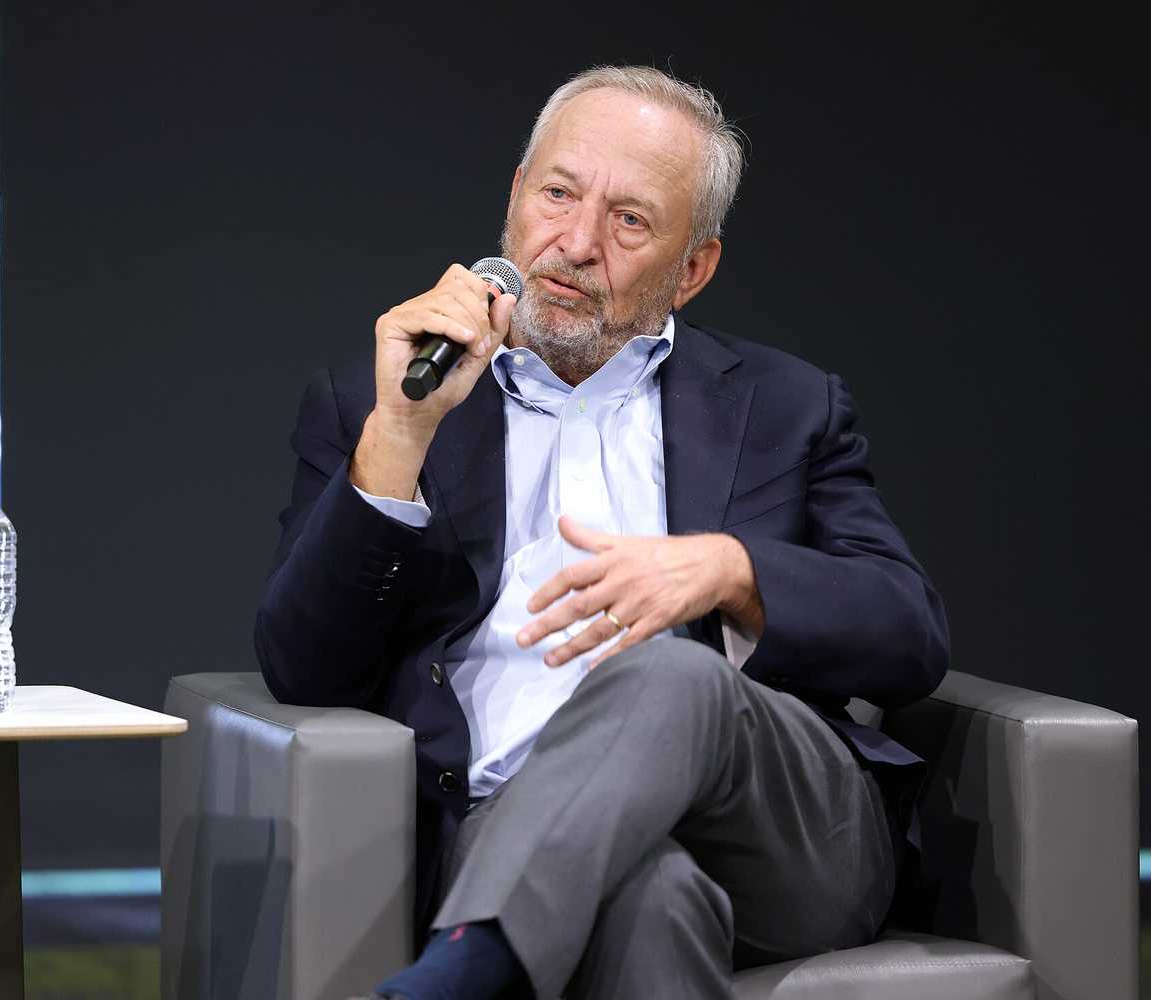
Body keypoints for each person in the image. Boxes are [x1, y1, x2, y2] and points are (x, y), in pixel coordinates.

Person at [256, 65, 949, 1000]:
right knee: (648, 901)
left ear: (693, 268)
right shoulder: (382, 404)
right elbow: (303, 670)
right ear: (515, 197)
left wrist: (730, 571)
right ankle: (488, 949)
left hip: (779, 839)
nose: (576, 244)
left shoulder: (787, 407)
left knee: (668, 671)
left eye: (629, 221)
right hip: (509, 829)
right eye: (557, 194)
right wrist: (401, 436)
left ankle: (462, 971)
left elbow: (910, 632)